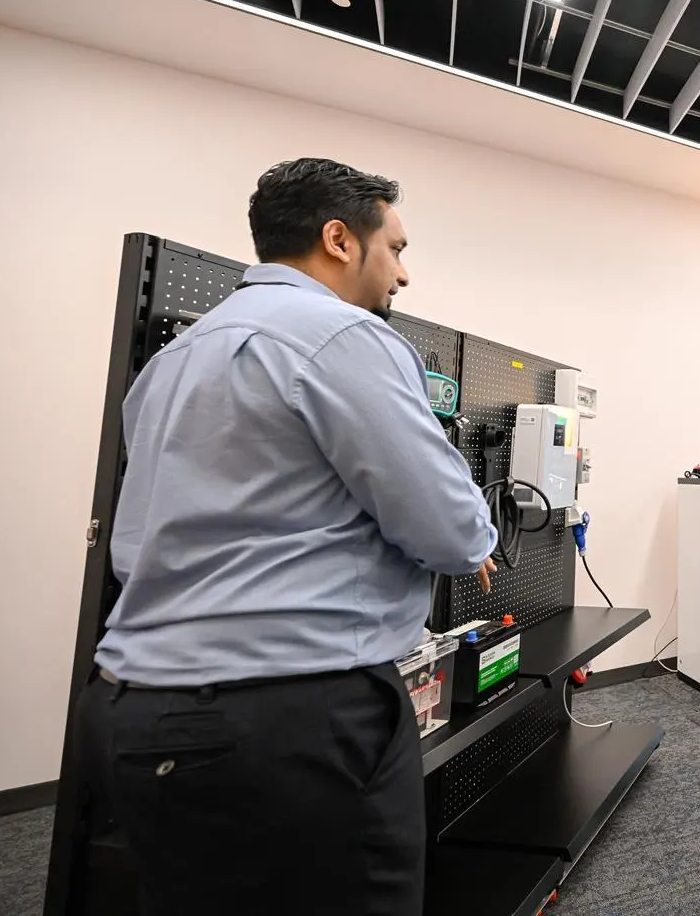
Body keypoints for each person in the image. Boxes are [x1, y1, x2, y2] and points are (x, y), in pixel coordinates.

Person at [72, 158, 501, 915]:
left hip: (134, 712)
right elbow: (448, 526)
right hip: (289, 721)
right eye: (395, 248)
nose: (403, 274)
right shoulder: (343, 337)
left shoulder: (173, 359)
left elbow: (136, 541)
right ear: (339, 239)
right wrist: (473, 537)